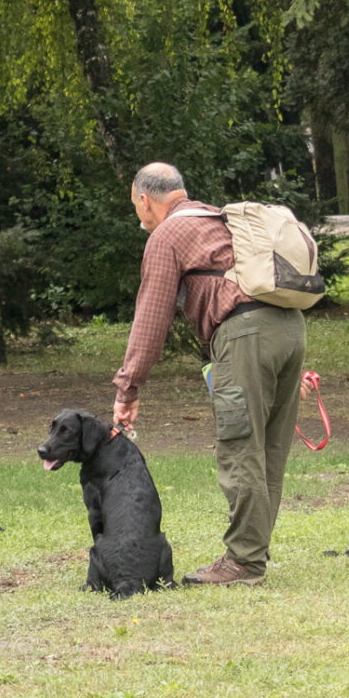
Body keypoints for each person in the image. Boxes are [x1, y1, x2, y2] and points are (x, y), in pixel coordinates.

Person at [109, 163, 310, 587]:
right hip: (290, 328)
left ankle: (243, 562)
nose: (138, 217)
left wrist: (128, 388)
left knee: (240, 447)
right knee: (269, 449)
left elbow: (150, 318)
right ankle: (252, 551)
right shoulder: (214, 217)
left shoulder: (167, 235)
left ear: (145, 199)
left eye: (136, 207)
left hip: (244, 334)